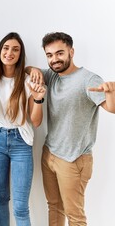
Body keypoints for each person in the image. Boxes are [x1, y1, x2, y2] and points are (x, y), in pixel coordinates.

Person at [28, 32, 115, 226]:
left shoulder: (88, 80)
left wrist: (111, 93)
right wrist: (33, 68)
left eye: (60, 53)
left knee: (75, 216)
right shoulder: (52, 75)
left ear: (71, 52)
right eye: (49, 55)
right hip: (50, 153)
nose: (54, 59)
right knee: (54, 207)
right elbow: (28, 70)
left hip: (74, 159)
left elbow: (111, 108)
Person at [0, 32, 46, 226]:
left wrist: (38, 98)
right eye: (6, 48)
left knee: (20, 206)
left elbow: (36, 122)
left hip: (22, 142)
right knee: (1, 198)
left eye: (15, 49)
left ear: (20, 54)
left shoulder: (28, 81)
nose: (10, 52)